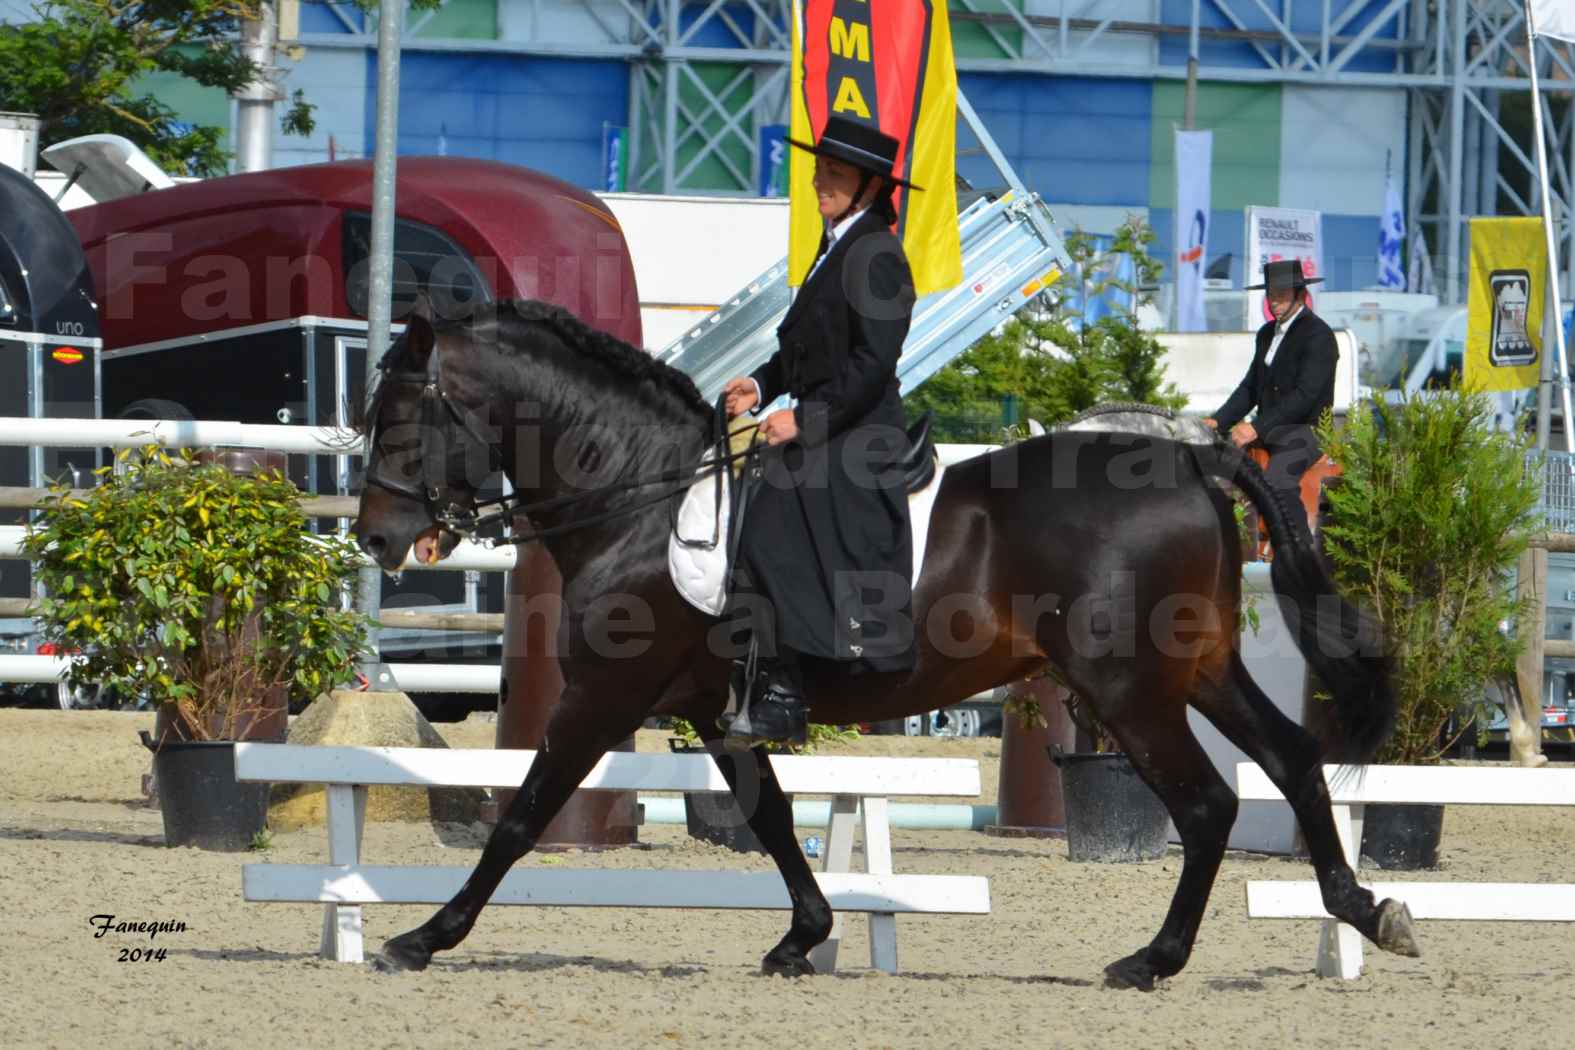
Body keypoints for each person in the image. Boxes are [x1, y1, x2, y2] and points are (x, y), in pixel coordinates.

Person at [718, 115, 920, 747]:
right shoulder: (835, 245)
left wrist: (803, 420)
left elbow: (871, 365)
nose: (817, 181)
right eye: (816, 169)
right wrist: (760, 383)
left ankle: (787, 691)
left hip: (860, 430)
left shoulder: (878, 252)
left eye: (833, 173)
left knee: (771, 514)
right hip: (825, 415)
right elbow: (807, 350)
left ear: (866, 186)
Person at [1205, 259, 1338, 492]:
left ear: (1301, 294)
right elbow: (1251, 387)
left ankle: (1296, 531)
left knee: (1276, 485)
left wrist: (1256, 427)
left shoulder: (1319, 335)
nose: (1274, 301)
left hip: (1306, 432)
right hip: (1270, 429)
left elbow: (1304, 396)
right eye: (1270, 294)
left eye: (1282, 293)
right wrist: (1218, 420)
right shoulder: (1266, 333)